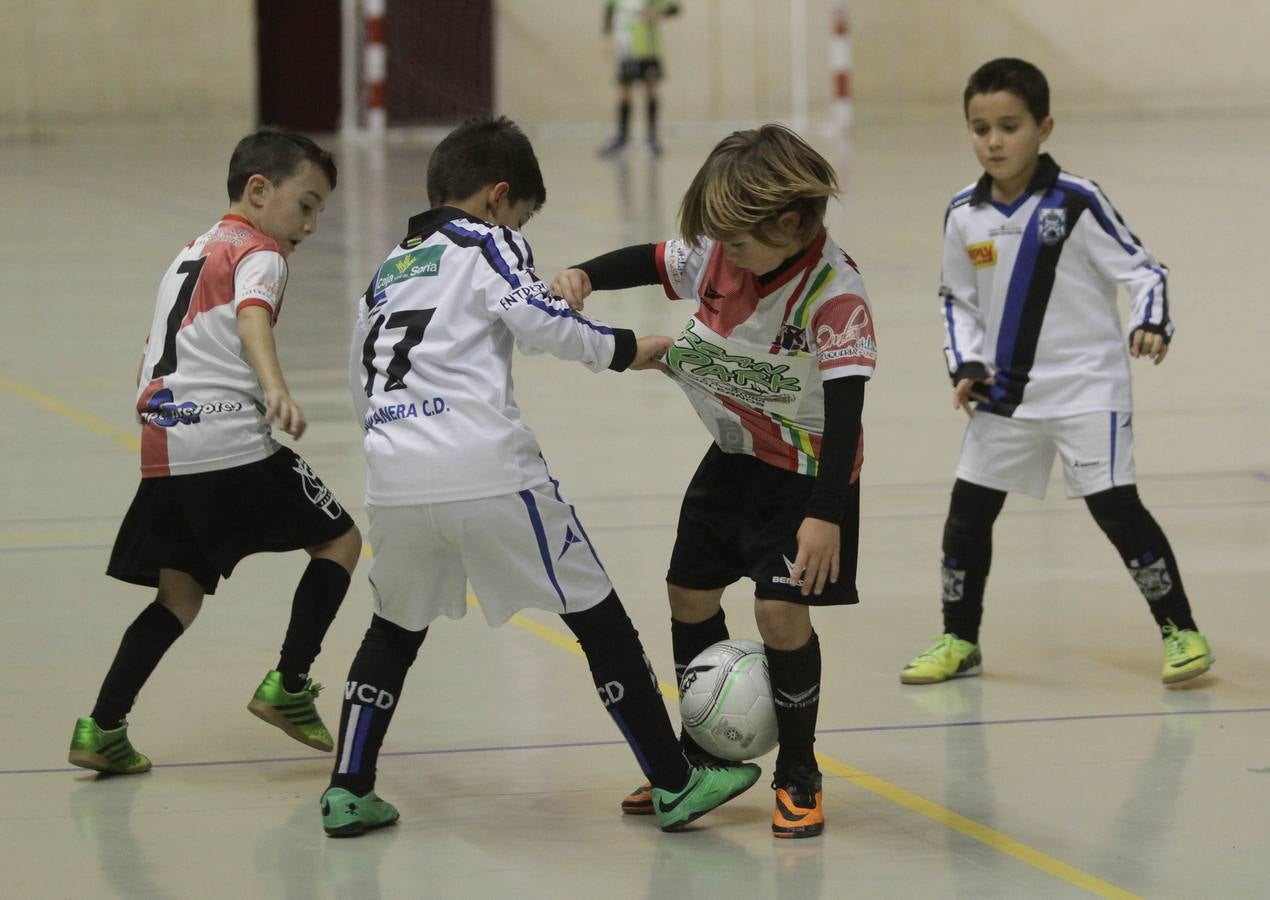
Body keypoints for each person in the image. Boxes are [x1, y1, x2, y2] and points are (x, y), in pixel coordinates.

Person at [320, 116, 760, 837]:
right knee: (597, 615)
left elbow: (358, 379)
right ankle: (676, 781)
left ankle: (348, 787)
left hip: (394, 476)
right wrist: (628, 348)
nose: (519, 229)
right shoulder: (488, 242)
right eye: (521, 214)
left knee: (393, 628)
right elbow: (537, 317)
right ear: (499, 198)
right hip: (486, 469)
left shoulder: (387, 271)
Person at [552, 124, 876, 838]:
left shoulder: (834, 294)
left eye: (734, 243)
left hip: (808, 476)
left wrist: (826, 515)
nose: (718, 256)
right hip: (734, 452)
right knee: (688, 592)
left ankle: (798, 771)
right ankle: (696, 757)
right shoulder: (727, 248)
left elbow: (848, 415)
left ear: (790, 224)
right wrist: (585, 274)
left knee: (778, 614)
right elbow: (655, 259)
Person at [899, 58, 1213, 688]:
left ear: (1043, 127)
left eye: (1009, 126)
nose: (993, 141)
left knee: (1116, 510)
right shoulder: (963, 215)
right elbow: (956, 300)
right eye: (980, 127)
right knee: (967, 513)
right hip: (1004, 394)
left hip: (1087, 388)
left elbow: (1144, 271)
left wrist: (1149, 324)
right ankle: (960, 639)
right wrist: (965, 363)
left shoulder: (1077, 201)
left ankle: (1181, 629)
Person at [68, 128, 363, 776]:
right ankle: (289, 684)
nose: (310, 226)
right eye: (306, 205)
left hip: (166, 445)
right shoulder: (261, 253)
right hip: (228, 439)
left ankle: (103, 727)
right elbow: (252, 316)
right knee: (340, 541)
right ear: (259, 190)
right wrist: (276, 388)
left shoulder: (190, 251)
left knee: (178, 597)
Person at [597, 0, 680, 157]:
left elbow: (674, 8)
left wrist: (656, 14)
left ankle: (652, 138)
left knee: (650, 91)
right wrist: (607, 36)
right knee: (624, 93)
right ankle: (622, 139)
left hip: (648, 49)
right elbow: (609, 11)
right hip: (626, 50)